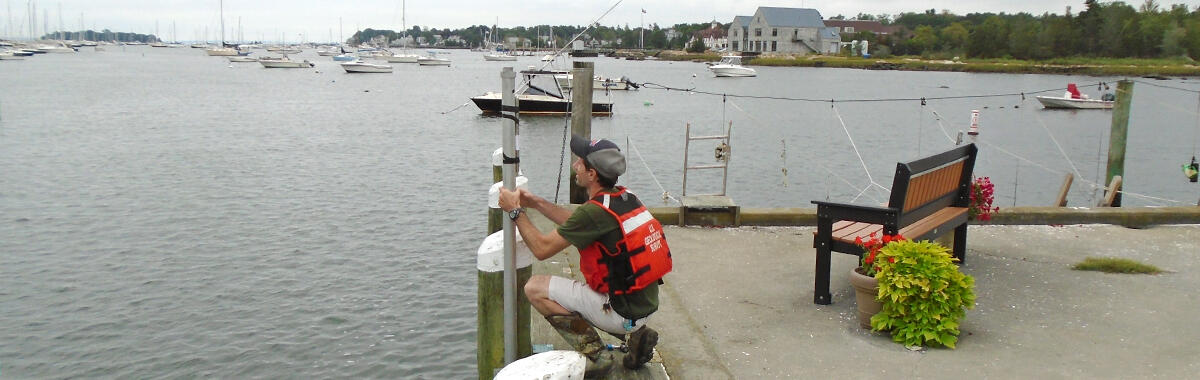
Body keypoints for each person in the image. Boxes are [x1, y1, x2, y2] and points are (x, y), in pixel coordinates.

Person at [498, 134, 672, 377]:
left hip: (620, 311)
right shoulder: (624, 197)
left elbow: (541, 249)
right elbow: (576, 223)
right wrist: (535, 202)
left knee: (534, 288)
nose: (575, 166)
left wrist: (515, 211)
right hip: (643, 306)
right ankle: (636, 335)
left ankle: (598, 355)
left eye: (580, 162)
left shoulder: (594, 213)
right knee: (581, 292)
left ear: (592, 174)